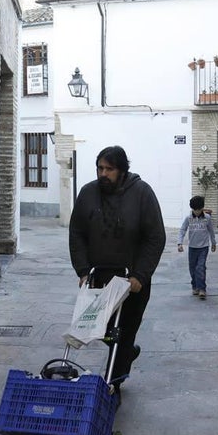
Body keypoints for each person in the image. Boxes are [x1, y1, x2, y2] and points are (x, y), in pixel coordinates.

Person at [69, 146, 166, 384]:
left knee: (122, 334)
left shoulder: (142, 193)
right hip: (98, 278)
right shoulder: (88, 193)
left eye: (109, 169)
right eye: (100, 168)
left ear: (122, 171)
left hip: (131, 281)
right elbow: (77, 233)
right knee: (101, 330)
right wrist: (82, 270)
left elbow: (155, 237)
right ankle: (127, 353)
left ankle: (113, 385)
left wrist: (140, 276)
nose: (103, 173)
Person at [177, 195, 217, 299]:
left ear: (202, 208)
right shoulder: (188, 218)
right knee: (192, 268)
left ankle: (202, 289)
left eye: (199, 209)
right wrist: (179, 243)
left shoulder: (207, 218)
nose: (197, 212)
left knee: (200, 267)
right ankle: (195, 285)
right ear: (192, 209)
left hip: (204, 247)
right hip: (192, 247)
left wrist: (213, 243)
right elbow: (182, 230)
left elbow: (211, 231)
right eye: (195, 210)